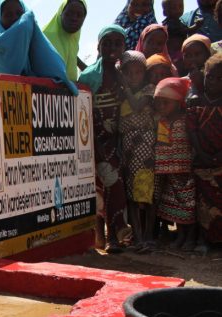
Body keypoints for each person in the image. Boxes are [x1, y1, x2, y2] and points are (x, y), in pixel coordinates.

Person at [78, 25, 132, 253]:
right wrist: (96, 146)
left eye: (117, 43)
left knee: (111, 189)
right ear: (98, 45)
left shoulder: (124, 75)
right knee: (108, 188)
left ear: (124, 47)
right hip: (97, 141)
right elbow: (83, 113)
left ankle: (107, 238)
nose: (111, 47)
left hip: (117, 142)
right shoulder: (90, 76)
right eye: (106, 42)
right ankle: (110, 238)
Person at [0, 0, 79, 94]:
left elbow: (53, 67)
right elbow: (10, 71)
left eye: (19, 13)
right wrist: (25, 22)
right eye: (8, 15)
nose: (15, 18)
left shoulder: (32, 39)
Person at [118, 51, 157, 251]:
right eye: (129, 73)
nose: (134, 77)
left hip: (146, 150)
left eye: (138, 72)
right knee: (132, 195)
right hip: (128, 149)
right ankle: (138, 237)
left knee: (148, 193)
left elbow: (136, 106)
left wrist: (124, 87)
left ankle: (149, 236)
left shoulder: (149, 90)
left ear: (145, 73)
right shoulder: (119, 93)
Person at [153, 77, 197, 250]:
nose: (162, 107)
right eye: (159, 103)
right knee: (174, 204)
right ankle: (180, 236)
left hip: (185, 170)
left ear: (179, 103)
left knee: (188, 204)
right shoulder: (162, 121)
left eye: (166, 103)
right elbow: (162, 144)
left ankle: (190, 238)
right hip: (168, 171)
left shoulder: (186, 120)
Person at [187, 53, 222, 252]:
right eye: (210, 77)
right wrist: (201, 153)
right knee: (203, 201)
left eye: (221, 78)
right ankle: (204, 239)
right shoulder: (197, 103)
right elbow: (192, 130)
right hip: (202, 160)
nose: (214, 82)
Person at [42, 0, 88, 81]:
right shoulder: (45, 37)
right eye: (69, 13)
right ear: (61, 13)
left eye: (79, 15)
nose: (74, 18)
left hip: (66, 92)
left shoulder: (74, 38)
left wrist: (89, 71)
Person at [162, 0, 203, 75]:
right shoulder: (170, 23)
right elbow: (183, 31)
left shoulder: (179, 21)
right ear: (166, 11)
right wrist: (196, 26)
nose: (178, 10)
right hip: (174, 53)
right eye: (174, 8)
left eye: (180, 6)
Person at [182, 34, 212, 105]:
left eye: (197, 54)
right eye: (187, 55)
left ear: (208, 55)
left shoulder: (215, 79)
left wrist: (200, 83)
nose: (193, 59)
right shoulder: (181, 82)